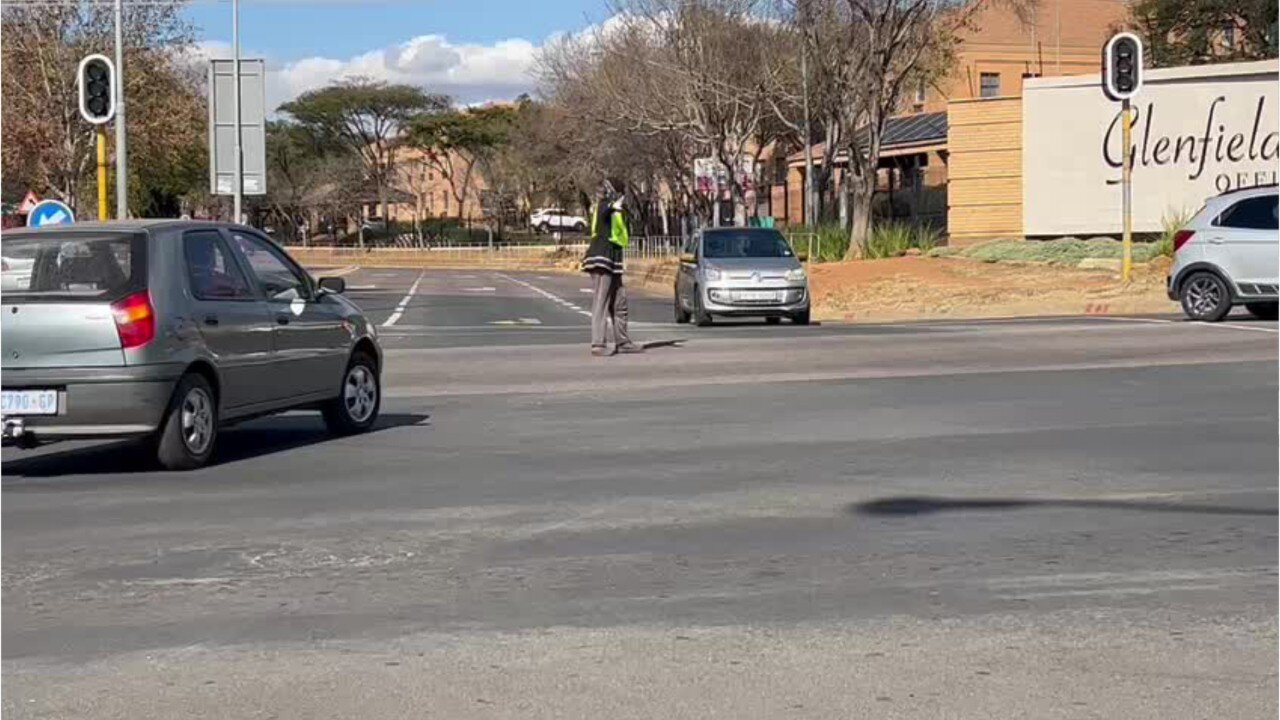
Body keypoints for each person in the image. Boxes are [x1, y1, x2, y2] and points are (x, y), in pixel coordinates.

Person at [582, 180, 643, 356]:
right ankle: (598, 343)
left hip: (614, 260)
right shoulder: (604, 206)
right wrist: (613, 204)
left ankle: (622, 341)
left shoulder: (617, 210)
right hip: (602, 258)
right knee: (601, 300)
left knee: (620, 301)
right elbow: (603, 212)